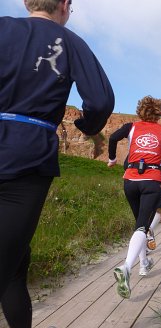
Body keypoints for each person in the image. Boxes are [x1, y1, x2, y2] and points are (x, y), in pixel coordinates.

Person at [0, 1, 114, 326]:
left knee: (15, 267)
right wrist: (87, 127)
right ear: (65, 6)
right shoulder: (70, 43)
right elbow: (102, 99)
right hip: (28, 161)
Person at [107, 96, 161, 299]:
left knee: (140, 225)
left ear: (140, 111)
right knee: (141, 226)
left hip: (130, 181)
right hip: (151, 181)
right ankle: (127, 267)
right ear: (159, 113)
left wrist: (112, 159)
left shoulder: (131, 127)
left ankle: (144, 264)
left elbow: (112, 138)